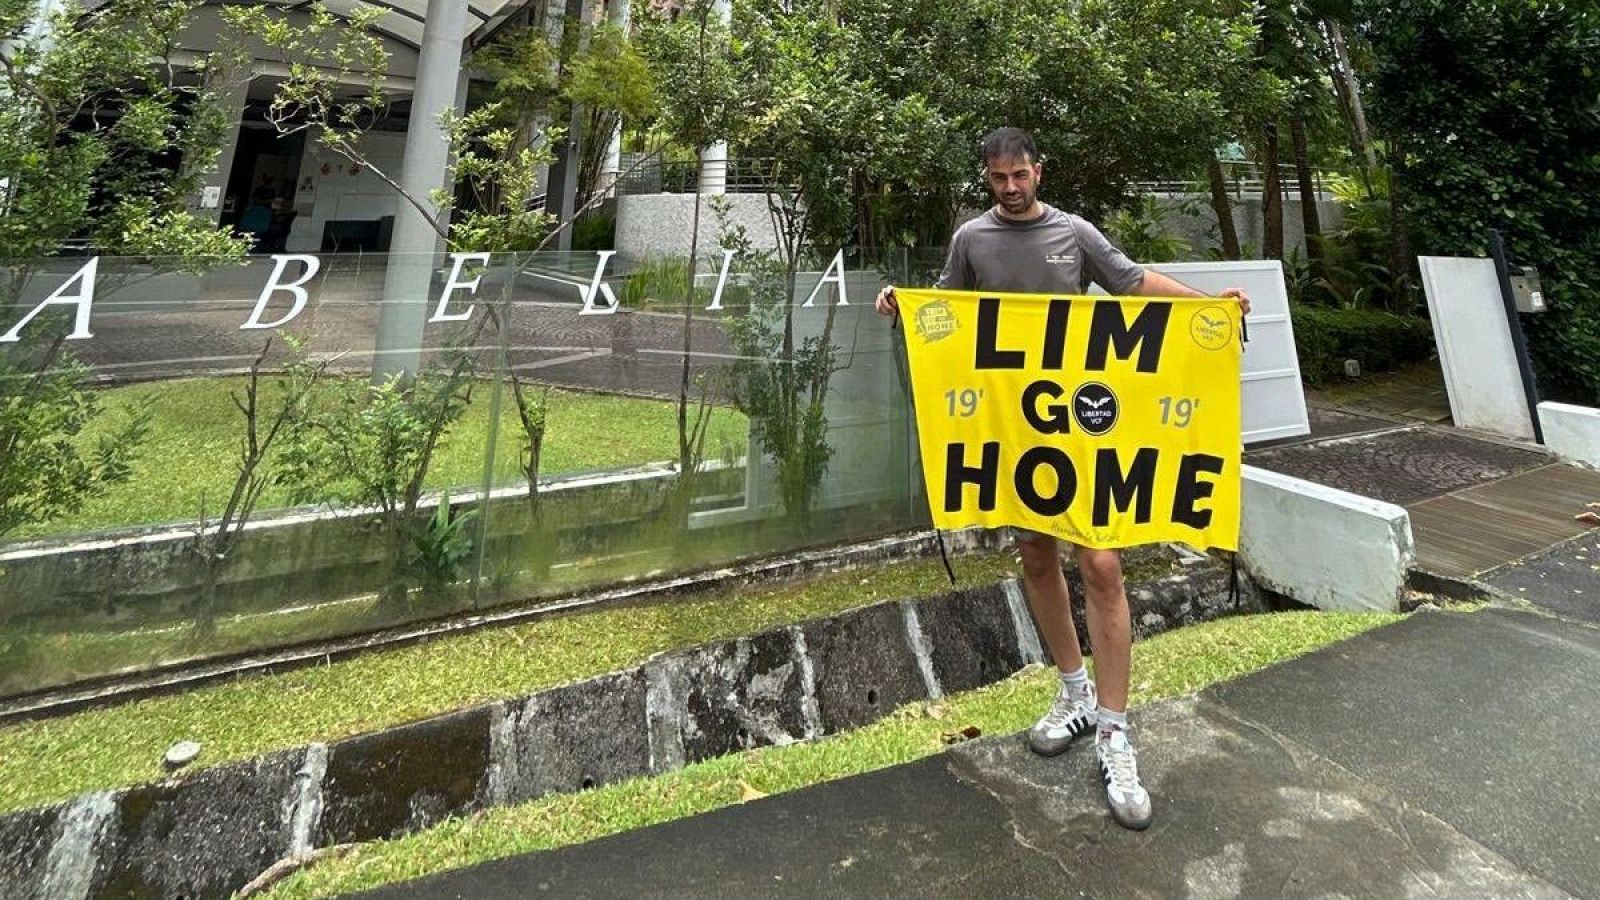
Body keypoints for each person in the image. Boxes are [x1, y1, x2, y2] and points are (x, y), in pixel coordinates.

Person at [875, 127, 1250, 831]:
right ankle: (1073, 692)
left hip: (1084, 429)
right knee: (1036, 555)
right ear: (985, 179)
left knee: (1102, 564)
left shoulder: (1073, 232)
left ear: (1038, 172)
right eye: (998, 180)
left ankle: (1114, 730)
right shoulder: (971, 240)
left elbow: (1134, 283)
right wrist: (906, 305)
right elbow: (951, 318)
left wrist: (1210, 308)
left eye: (1021, 176)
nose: (1011, 189)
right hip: (1021, 434)